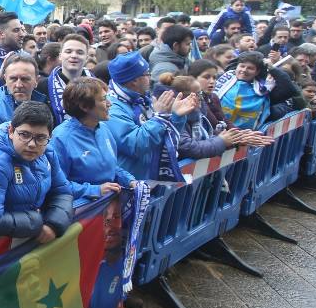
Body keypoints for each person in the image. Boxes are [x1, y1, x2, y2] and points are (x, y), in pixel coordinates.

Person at [0, 101, 73, 240]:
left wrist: (54, 223)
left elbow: (62, 192)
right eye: (24, 135)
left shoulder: (48, 153)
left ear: (49, 137)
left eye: (40, 138)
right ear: (11, 131)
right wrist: (37, 222)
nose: (32, 144)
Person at [105, 51, 197, 182]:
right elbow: (136, 145)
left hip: (146, 179)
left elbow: (160, 137)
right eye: (146, 73)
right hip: (128, 185)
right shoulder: (113, 108)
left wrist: (175, 116)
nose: (151, 76)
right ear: (134, 80)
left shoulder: (140, 99)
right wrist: (159, 118)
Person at [48, 77, 136, 203]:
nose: (110, 103)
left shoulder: (103, 129)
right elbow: (56, 185)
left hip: (107, 208)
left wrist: (130, 180)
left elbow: (111, 168)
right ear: (85, 106)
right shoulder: (61, 138)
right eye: (103, 99)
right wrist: (95, 190)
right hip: (80, 214)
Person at [0, 52, 47, 124]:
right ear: (5, 79)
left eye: (25, 79)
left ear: (36, 81)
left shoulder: (47, 106)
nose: (19, 85)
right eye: (13, 79)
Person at [37, 34, 91, 125]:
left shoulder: (97, 85)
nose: (74, 55)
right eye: (68, 51)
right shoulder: (42, 86)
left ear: (86, 58)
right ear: (60, 56)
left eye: (80, 52)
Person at [214, 52, 274, 128]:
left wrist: (274, 69)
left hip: (247, 135)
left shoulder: (265, 87)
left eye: (250, 68)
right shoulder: (223, 78)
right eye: (242, 66)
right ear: (237, 67)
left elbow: (289, 90)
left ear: (257, 72)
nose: (244, 70)